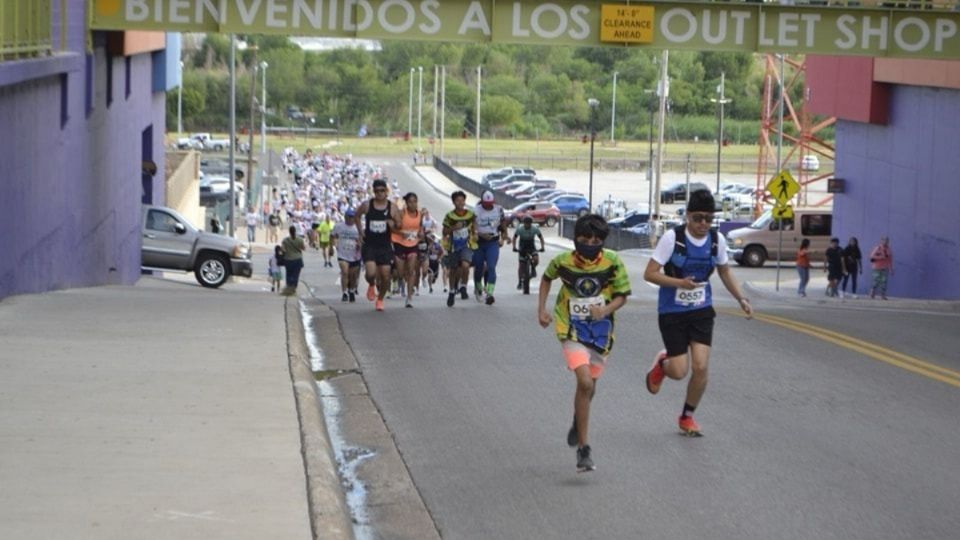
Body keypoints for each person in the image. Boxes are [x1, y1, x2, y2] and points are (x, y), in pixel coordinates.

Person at [643, 190, 753, 437]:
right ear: (688, 216)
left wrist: (741, 298)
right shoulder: (673, 238)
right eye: (698, 218)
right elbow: (649, 274)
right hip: (672, 311)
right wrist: (679, 283)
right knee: (680, 371)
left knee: (701, 367)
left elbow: (724, 271)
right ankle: (663, 363)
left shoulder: (717, 240)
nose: (703, 224)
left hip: (702, 310)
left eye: (708, 218)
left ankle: (687, 416)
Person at [537, 214, 631, 472]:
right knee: (585, 381)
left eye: (596, 239)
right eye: (585, 238)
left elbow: (623, 296)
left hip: (601, 333)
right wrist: (542, 309)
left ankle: (578, 420)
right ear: (575, 238)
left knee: (590, 388)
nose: (590, 243)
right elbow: (546, 278)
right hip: (570, 328)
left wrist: (606, 309)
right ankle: (584, 448)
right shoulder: (562, 262)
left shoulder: (612, 262)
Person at [356, 179, 395, 312]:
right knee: (371, 273)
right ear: (373, 192)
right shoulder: (367, 205)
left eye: (382, 191)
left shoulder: (392, 207)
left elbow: (398, 225)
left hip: (384, 246)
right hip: (370, 244)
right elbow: (357, 216)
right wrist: (361, 232)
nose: (379, 193)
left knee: (385, 276)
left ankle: (380, 300)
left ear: (386, 192)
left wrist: (392, 225)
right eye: (377, 191)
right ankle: (371, 284)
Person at [472, 190, 509, 305]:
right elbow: (472, 227)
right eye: (486, 204)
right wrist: (479, 234)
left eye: (490, 204)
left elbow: (503, 225)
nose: (488, 206)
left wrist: (504, 237)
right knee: (479, 267)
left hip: (492, 242)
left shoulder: (498, 209)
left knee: (491, 267)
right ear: (482, 202)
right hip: (479, 242)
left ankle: (490, 293)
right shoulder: (476, 210)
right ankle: (478, 287)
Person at [442, 191, 477, 307]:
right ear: (453, 202)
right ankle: (452, 292)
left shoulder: (470, 214)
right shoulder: (449, 216)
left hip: (466, 245)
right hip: (453, 246)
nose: (460, 203)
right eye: (458, 200)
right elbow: (444, 232)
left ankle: (463, 287)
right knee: (454, 270)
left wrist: (475, 233)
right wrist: (453, 228)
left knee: (465, 265)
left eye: (462, 200)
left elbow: (474, 224)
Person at [391, 192, 424, 308]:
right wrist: (401, 233)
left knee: (411, 270)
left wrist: (421, 233)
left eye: (415, 201)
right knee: (400, 272)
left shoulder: (420, 214)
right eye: (410, 202)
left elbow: (420, 228)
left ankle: (409, 297)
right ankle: (401, 280)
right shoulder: (401, 213)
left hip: (413, 244)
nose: (413, 204)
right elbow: (392, 228)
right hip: (399, 243)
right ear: (406, 203)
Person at [332, 209, 362, 303]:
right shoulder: (339, 226)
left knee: (352, 275)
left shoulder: (358, 227)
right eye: (349, 217)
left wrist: (360, 244)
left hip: (355, 255)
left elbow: (363, 239)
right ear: (345, 217)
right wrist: (332, 245)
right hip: (342, 254)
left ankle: (352, 290)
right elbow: (333, 236)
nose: (351, 219)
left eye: (352, 217)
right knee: (345, 272)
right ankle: (344, 292)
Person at [512, 216, 545, 290]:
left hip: (531, 246)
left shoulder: (535, 228)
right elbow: (514, 238)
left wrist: (542, 247)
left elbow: (541, 238)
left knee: (536, 259)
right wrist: (514, 247)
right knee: (521, 265)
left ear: (531, 224)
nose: (527, 225)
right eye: (526, 224)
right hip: (522, 246)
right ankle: (520, 281)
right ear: (523, 223)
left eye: (529, 224)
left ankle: (533, 268)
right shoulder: (520, 229)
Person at [281, 225, 306, 296]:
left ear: (289, 231)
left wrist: (286, 252)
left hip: (288, 259)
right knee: (296, 275)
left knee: (288, 274)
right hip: (297, 259)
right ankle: (293, 288)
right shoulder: (300, 239)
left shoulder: (285, 240)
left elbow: (283, 249)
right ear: (295, 231)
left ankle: (289, 286)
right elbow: (303, 248)